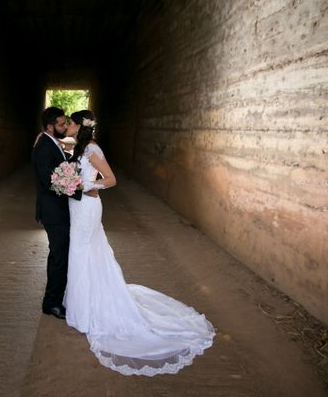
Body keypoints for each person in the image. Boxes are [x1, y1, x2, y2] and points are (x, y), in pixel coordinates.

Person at [63, 110, 215, 376]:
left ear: (79, 126)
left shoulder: (92, 149)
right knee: (81, 254)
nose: (66, 126)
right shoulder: (79, 147)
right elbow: (62, 147)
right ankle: (81, 307)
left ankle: (86, 313)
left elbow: (110, 179)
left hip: (88, 206)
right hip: (76, 208)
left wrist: (83, 184)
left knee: (81, 252)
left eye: (70, 122)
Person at [31, 107, 89, 319]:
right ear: (49, 127)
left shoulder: (52, 142)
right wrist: (79, 189)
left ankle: (55, 298)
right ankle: (52, 303)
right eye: (61, 124)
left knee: (60, 255)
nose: (65, 127)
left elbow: (65, 164)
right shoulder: (43, 148)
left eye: (66, 123)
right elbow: (50, 181)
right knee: (59, 257)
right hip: (53, 213)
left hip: (59, 211)